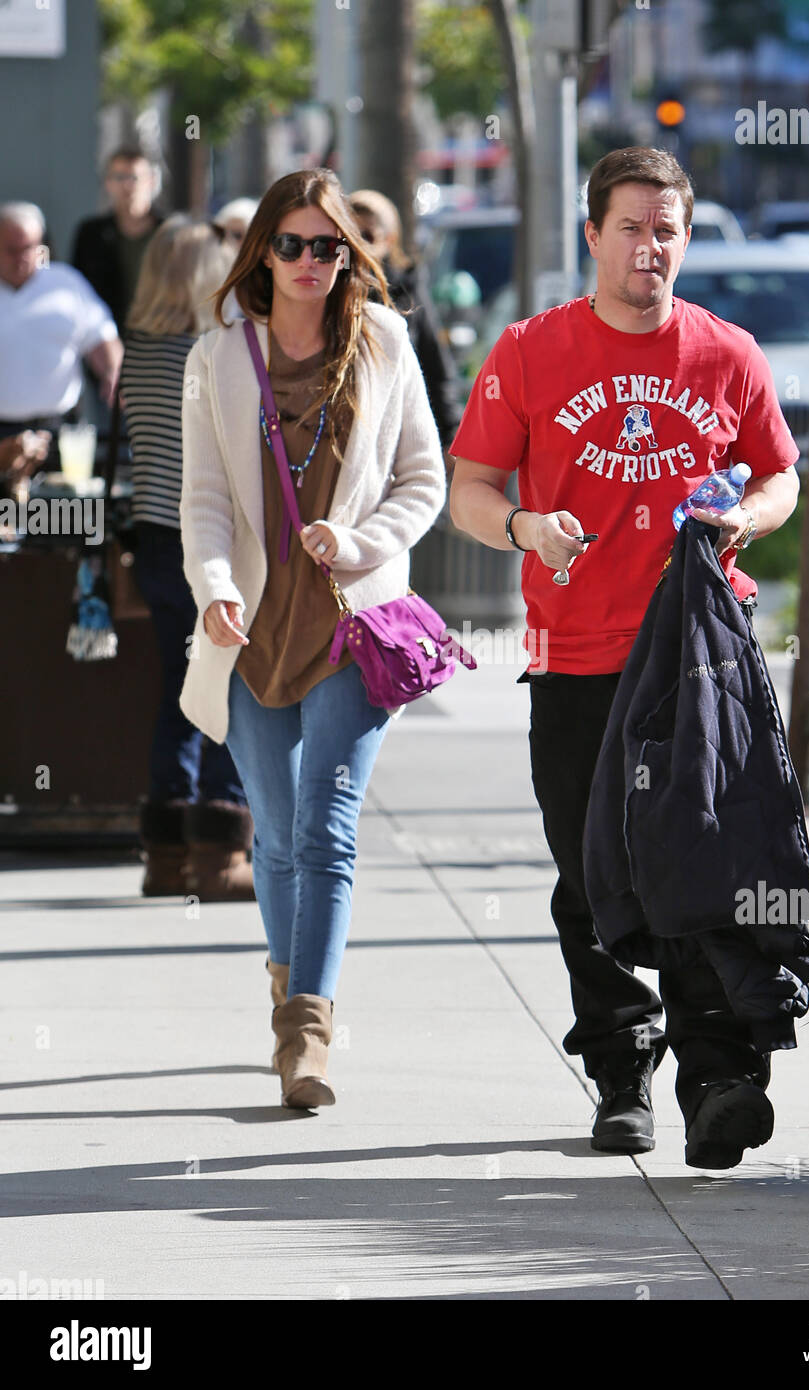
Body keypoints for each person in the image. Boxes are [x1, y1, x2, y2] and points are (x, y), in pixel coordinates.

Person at [449, 147, 801, 1165]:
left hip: (698, 655)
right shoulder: (529, 349)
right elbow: (471, 484)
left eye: (668, 229)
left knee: (705, 862)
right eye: (633, 227)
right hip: (577, 657)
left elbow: (781, 477)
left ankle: (716, 1076)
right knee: (591, 875)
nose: (651, 246)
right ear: (592, 233)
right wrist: (524, 526)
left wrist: (745, 516)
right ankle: (619, 1071)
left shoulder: (727, 353)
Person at [179, 168, 446, 1108]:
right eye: (289, 244)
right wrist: (215, 590)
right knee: (280, 839)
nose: (306, 261)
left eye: (325, 246)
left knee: (327, 832)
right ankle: (290, 979)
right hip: (252, 630)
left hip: (353, 622)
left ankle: (305, 1035)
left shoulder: (383, 342)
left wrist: (360, 540)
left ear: (348, 256)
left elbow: (425, 481)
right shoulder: (218, 358)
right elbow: (206, 504)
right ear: (262, 251)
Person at [120, 215, 254, 900]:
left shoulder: (137, 351)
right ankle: (219, 850)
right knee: (227, 689)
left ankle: (165, 855)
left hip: (149, 537)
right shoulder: (210, 351)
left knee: (180, 691)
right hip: (204, 541)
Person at [0, 202, 121, 469]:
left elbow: (101, 336)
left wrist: (112, 371)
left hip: (58, 432)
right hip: (2, 436)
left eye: (29, 248)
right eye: (11, 249)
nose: (21, 257)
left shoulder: (66, 284)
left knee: (59, 510)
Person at [348, 188, 462, 453]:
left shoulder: (407, 288)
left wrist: (451, 433)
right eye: (349, 235)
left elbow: (434, 363)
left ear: (389, 239)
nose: (359, 245)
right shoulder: (329, 285)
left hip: (398, 429)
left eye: (367, 235)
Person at [71, 146, 165, 333]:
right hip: (105, 336)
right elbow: (77, 287)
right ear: (108, 182)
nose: (127, 186)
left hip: (160, 337)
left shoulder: (170, 232)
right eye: (119, 177)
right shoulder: (91, 234)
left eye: (135, 178)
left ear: (152, 181)